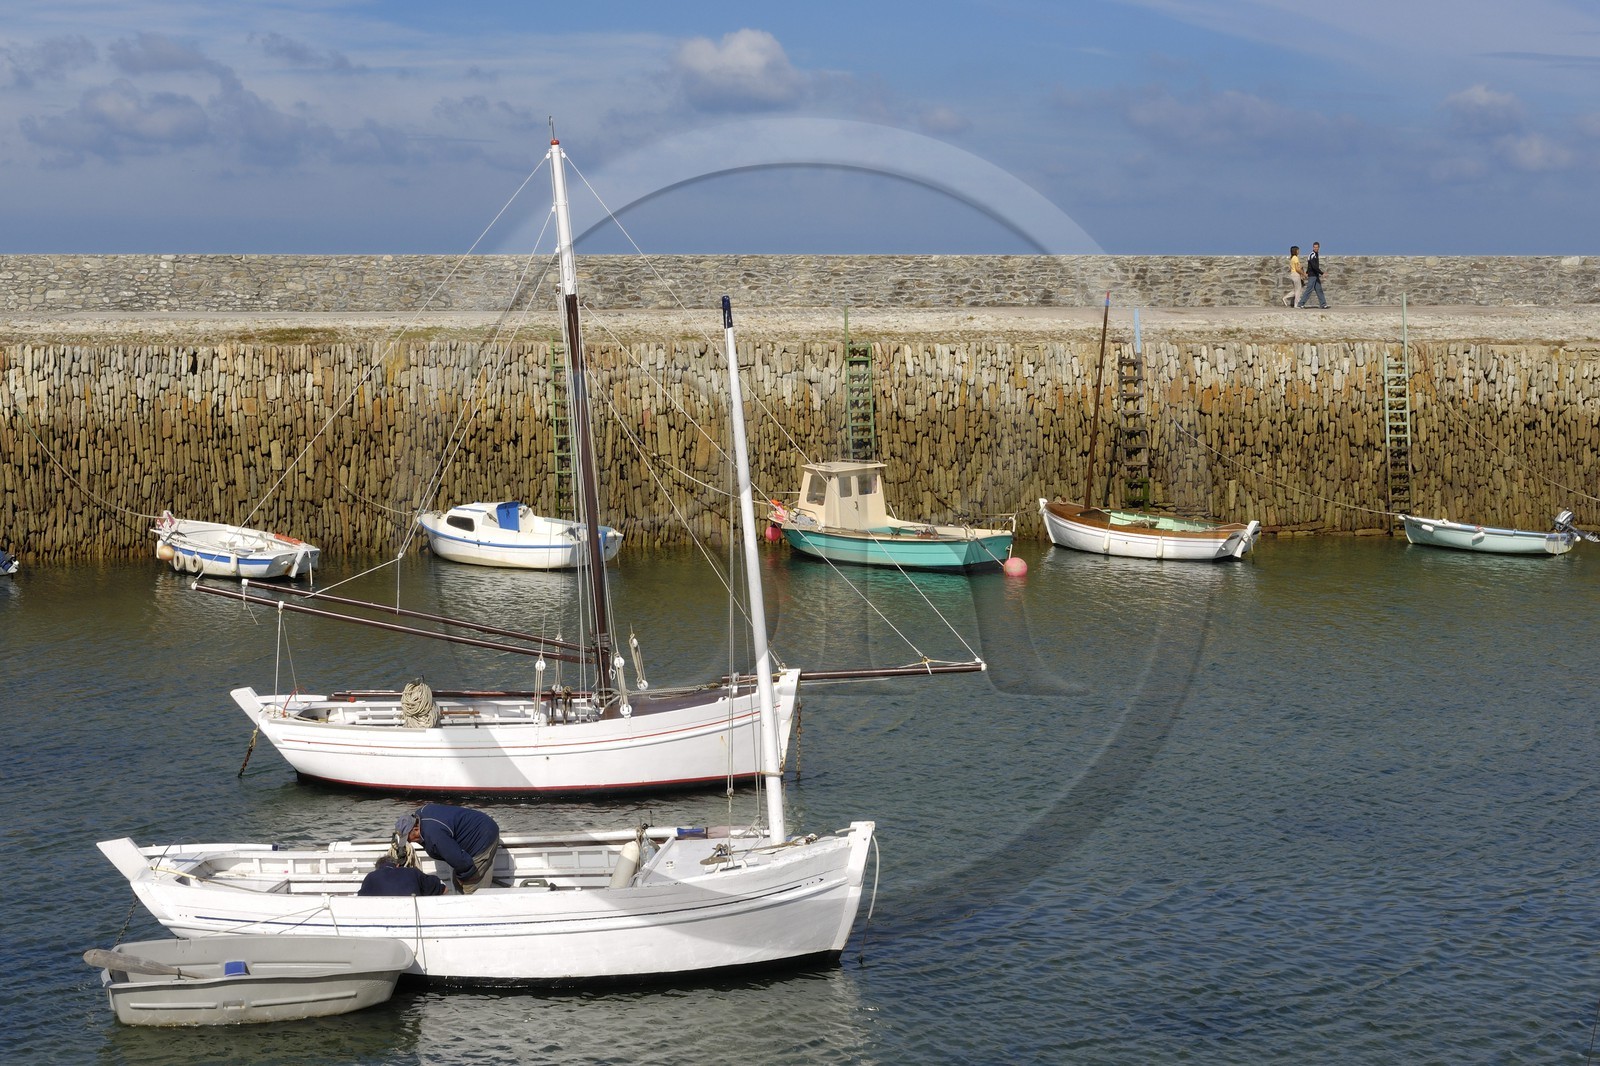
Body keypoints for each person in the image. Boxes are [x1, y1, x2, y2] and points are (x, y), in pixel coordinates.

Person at [394, 803, 501, 894]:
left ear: (416, 829)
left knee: (471, 888)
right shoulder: (420, 813)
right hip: (477, 826)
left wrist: (464, 878)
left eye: (408, 838)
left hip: (483, 837)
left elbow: (462, 862)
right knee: (457, 883)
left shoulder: (434, 836)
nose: (409, 842)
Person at [358, 854, 446, 896]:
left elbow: (361, 901)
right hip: (413, 918)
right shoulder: (413, 872)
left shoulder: (370, 877)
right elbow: (444, 889)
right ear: (397, 865)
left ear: (378, 868)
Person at [1297, 241, 1328, 308]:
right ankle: (1301, 303)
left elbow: (1310, 266)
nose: (1315, 248)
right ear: (1313, 247)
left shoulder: (1316, 254)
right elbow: (1313, 266)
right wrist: (1322, 273)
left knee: (1319, 290)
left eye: (1317, 247)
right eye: (1314, 247)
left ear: (1319, 248)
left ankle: (1323, 304)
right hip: (1312, 276)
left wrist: (1307, 272)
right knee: (1309, 289)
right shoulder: (1312, 255)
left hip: (1316, 275)